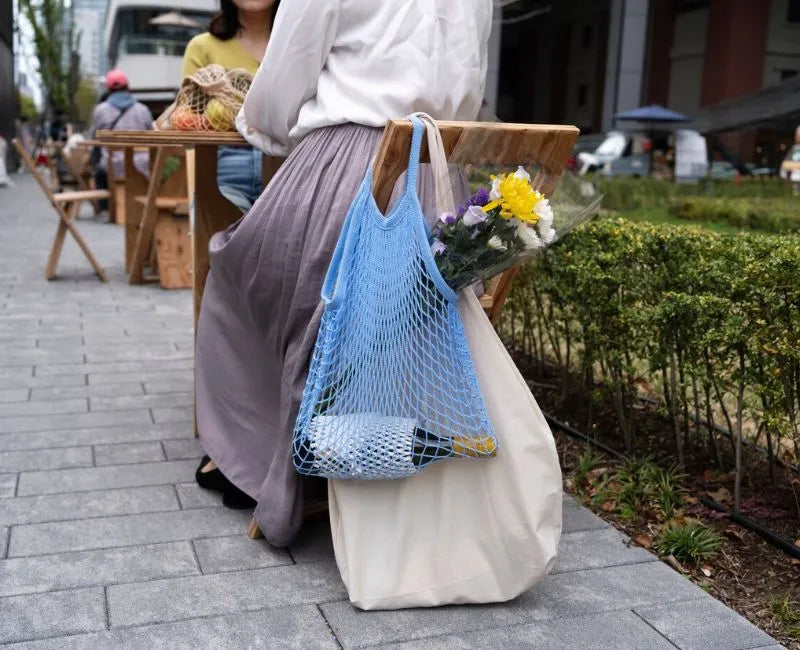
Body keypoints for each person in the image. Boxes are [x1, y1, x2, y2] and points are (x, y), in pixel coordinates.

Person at [194, 0, 492, 546]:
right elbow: (471, 90)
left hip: (350, 165)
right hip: (438, 187)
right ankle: (326, 445)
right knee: (359, 298)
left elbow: (282, 84)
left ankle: (266, 457)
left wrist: (259, 124)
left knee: (236, 266)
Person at [181, 0, 279, 212]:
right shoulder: (202, 47)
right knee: (219, 238)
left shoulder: (299, 44)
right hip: (223, 170)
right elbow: (186, 117)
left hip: (291, 169)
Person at [90, 69, 153, 209]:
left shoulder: (100, 110)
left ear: (109, 89)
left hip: (112, 167)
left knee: (99, 167)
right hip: (141, 167)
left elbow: (94, 137)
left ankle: (106, 208)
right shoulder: (143, 109)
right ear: (128, 86)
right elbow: (152, 136)